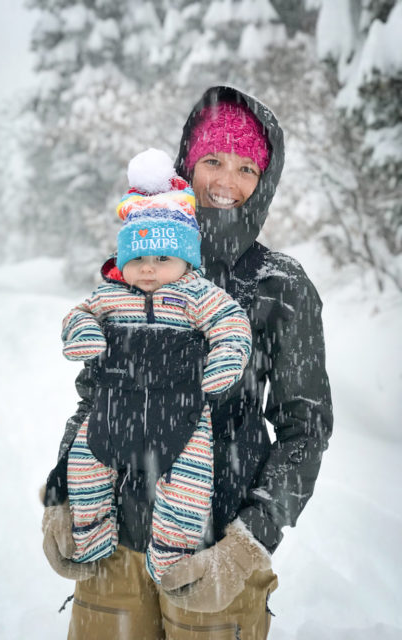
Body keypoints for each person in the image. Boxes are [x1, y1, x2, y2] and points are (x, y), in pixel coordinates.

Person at [42, 86, 333, 640]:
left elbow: (307, 427)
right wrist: (60, 497)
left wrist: (248, 544)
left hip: (212, 554)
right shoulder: (139, 266)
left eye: (247, 166)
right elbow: (92, 397)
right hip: (110, 544)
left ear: (265, 181)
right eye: (213, 160)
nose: (227, 180)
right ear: (186, 163)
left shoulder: (281, 287)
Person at [52, 148, 252, 584]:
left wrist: (226, 356)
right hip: (112, 414)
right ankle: (92, 536)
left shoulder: (197, 294)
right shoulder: (111, 295)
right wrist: (83, 331)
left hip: (181, 416)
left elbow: (232, 323)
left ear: (186, 260)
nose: (149, 269)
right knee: (85, 467)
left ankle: (173, 559)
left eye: (163, 259)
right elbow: (79, 313)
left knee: (188, 489)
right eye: (138, 259)